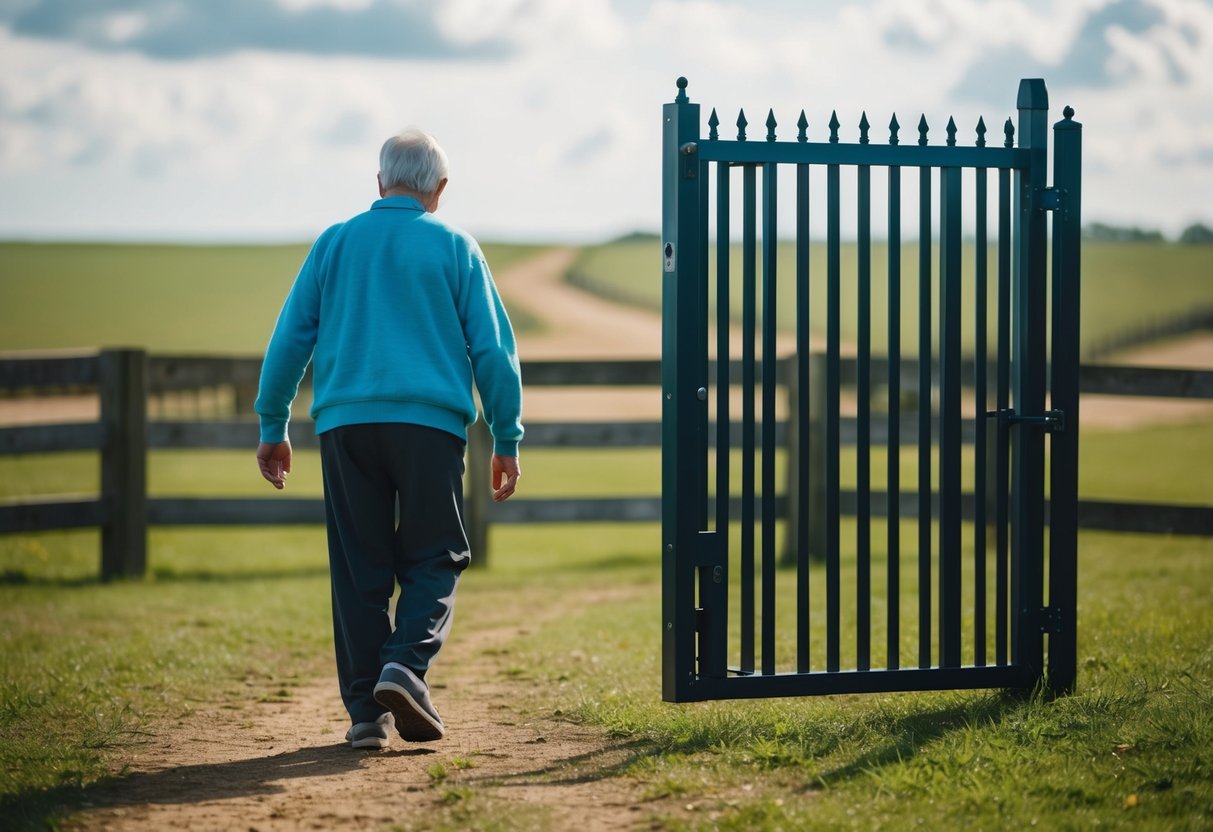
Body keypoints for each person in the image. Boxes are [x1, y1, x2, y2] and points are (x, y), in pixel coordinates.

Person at [254, 128, 523, 750]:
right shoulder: (456, 246)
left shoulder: (335, 243)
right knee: (436, 556)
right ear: (440, 189)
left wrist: (274, 424)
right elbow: (493, 351)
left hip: (345, 425)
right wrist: (506, 437)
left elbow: (290, 338)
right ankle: (404, 665)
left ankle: (364, 716)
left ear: (380, 183)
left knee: (359, 568)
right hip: (429, 427)